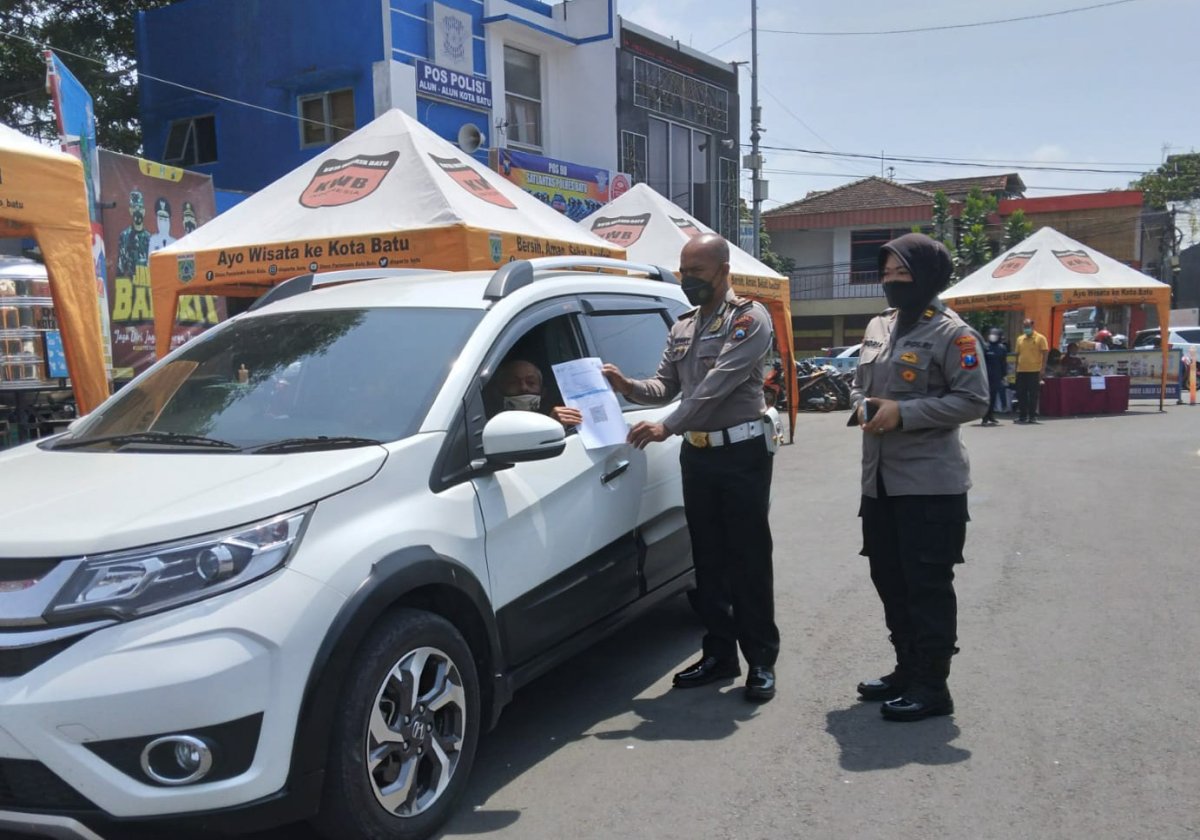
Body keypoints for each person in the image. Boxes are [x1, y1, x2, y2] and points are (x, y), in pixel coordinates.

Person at [602, 233, 780, 703]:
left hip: (742, 455)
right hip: (698, 456)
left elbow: (716, 386)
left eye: (697, 272)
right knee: (709, 560)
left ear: (723, 271)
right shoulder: (682, 326)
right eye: (684, 271)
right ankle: (719, 653)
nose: (688, 280)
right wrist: (627, 385)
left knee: (748, 560)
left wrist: (668, 426)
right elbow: (665, 386)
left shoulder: (749, 319)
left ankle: (761, 661)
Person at [850, 233, 988, 722]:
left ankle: (933, 685)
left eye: (902, 275)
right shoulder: (879, 326)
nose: (891, 284)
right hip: (880, 482)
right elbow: (861, 385)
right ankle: (906, 668)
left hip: (931, 485)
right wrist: (863, 405)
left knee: (926, 585)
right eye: (886, 275)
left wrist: (904, 414)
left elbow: (973, 400)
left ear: (927, 277)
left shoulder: (955, 334)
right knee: (889, 578)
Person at [491, 358, 581, 428]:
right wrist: (549, 425)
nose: (523, 388)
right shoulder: (490, 425)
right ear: (498, 391)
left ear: (543, 392)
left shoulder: (557, 417)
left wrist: (556, 424)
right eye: (514, 382)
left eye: (530, 382)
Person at [1014, 318, 1049, 424]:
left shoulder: (1040, 338)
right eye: (1024, 326)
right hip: (1021, 370)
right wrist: (1016, 369)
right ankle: (1022, 416)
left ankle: (1032, 416)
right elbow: (1017, 355)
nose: (1026, 329)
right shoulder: (1020, 339)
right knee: (1021, 394)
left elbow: (1045, 353)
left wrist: (1043, 369)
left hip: (1034, 371)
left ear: (1033, 326)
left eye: (1028, 326)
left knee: (1033, 395)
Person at [980, 328, 1009, 425]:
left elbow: (1003, 363)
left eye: (995, 335)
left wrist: (1004, 375)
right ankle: (985, 417)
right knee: (986, 397)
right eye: (992, 334)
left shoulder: (1002, 348)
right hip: (986, 375)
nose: (993, 336)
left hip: (997, 375)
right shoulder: (985, 347)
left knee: (993, 396)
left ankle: (991, 415)